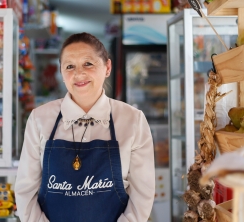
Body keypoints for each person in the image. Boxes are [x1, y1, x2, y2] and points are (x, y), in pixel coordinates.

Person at [15, 32, 155, 222]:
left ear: (107, 67)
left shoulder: (133, 120)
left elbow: (142, 195)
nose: (79, 73)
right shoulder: (40, 119)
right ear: (62, 72)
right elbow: (25, 191)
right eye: (70, 66)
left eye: (88, 64)